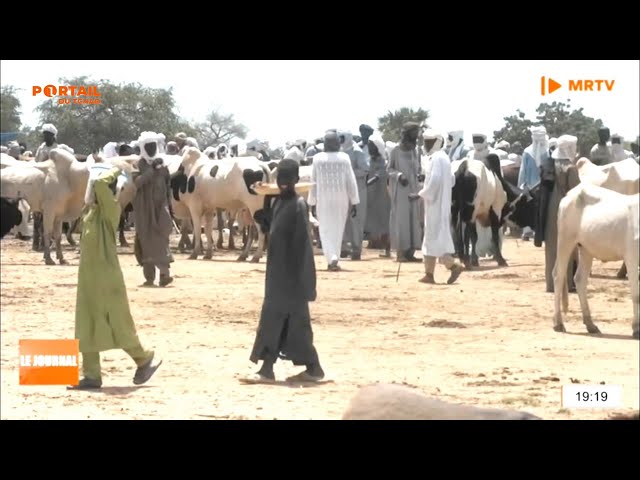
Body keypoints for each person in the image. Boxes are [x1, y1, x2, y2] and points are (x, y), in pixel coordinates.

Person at [69, 166, 162, 390]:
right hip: (89, 281)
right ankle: (91, 376)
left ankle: (144, 358)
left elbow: (101, 184)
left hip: (108, 280)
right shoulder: (90, 213)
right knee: (85, 326)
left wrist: (117, 169)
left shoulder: (111, 210)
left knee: (118, 325)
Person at [245, 159, 325, 383]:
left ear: (296, 181)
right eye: (280, 179)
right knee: (293, 325)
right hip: (277, 275)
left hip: (291, 278)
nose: (283, 184)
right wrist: (266, 219)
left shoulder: (299, 206)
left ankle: (267, 369)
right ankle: (313, 368)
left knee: (277, 320)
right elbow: (278, 231)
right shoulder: (280, 203)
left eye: (288, 180)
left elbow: (303, 246)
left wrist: (305, 282)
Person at [307, 131, 359, 271]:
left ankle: (332, 258)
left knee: (324, 229)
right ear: (337, 143)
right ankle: (334, 256)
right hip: (342, 199)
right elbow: (351, 181)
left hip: (323, 199)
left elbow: (314, 181)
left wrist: (311, 202)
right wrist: (354, 201)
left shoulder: (317, 158)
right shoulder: (344, 157)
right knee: (338, 228)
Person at [417, 130, 464, 284]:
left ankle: (453, 265)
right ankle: (429, 274)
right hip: (440, 205)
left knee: (433, 238)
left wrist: (422, 193)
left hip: (434, 205)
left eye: (429, 142)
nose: (426, 145)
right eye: (426, 142)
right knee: (435, 239)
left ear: (437, 142)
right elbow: (451, 181)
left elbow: (435, 180)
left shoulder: (437, 158)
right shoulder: (443, 158)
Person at [535, 134, 580, 293]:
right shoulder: (570, 168)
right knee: (565, 246)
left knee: (551, 247)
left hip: (548, 209)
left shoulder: (549, 164)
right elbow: (576, 192)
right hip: (565, 209)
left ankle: (551, 284)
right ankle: (565, 283)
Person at [132, 131, 174, 287]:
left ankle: (164, 274)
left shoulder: (162, 164)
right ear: (143, 148)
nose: (151, 149)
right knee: (146, 241)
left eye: (153, 146)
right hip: (144, 210)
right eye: (148, 146)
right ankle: (149, 277)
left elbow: (167, 183)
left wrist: (162, 169)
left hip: (160, 208)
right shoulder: (138, 164)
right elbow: (136, 183)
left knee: (162, 237)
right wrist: (151, 170)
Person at [388, 122, 423, 262]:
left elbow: (418, 168)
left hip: (414, 189)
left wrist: (420, 175)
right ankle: (401, 252)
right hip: (401, 190)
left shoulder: (416, 150)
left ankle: (411, 252)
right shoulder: (396, 150)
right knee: (402, 220)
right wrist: (399, 176)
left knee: (414, 220)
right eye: (415, 132)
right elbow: (389, 169)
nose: (417, 135)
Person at [340, 130, 369, 260]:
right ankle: (345, 247)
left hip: (358, 189)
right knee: (344, 220)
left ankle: (356, 249)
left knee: (356, 220)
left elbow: (365, 169)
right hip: (344, 190)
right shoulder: (342, 151)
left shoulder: (357, 151)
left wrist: (349, 174)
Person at [518, 126, 549, 241]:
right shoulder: (547, 152)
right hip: (544, 186)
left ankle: (528, 231)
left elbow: (523, 171)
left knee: (530, 209)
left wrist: (522, 186)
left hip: (530, 187)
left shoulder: (527, 152)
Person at [364, 133, 391, 257]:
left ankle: (388, 249)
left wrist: (365, 184)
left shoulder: (383, 161)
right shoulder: (370, 160)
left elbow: (378, 176)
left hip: (382, 195)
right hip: (372, 195)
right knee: (374, 221)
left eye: (371, 146)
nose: (369, 148)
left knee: (384, 222)